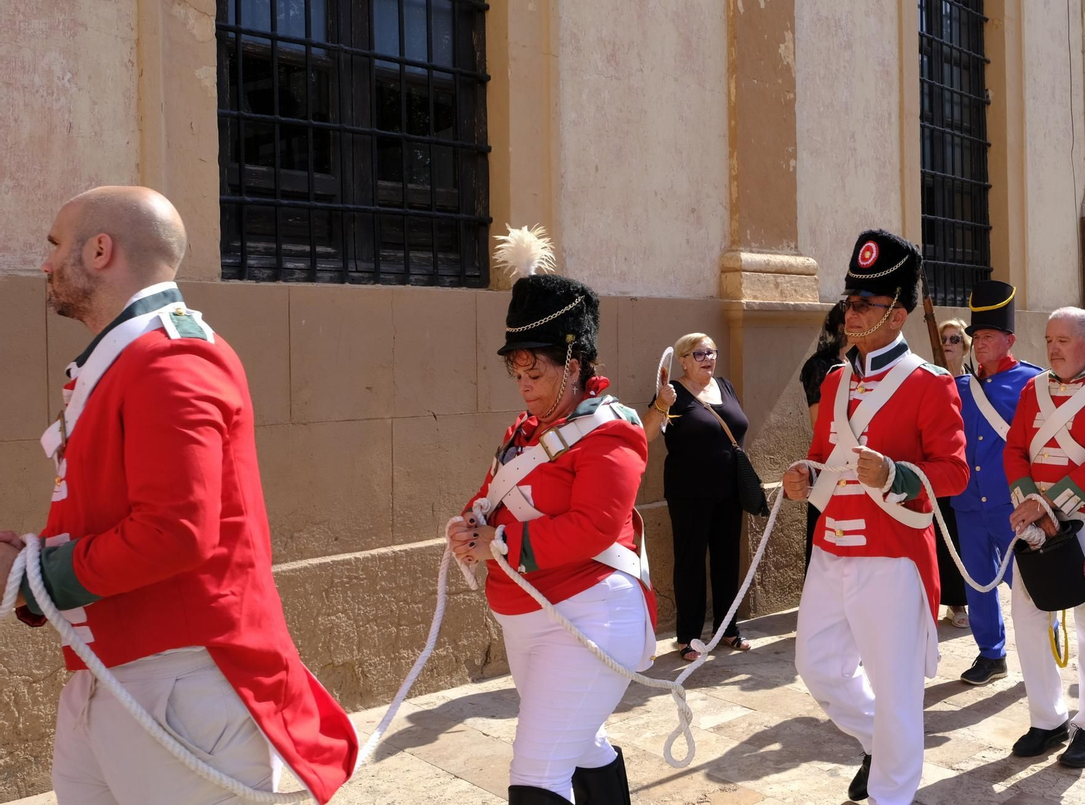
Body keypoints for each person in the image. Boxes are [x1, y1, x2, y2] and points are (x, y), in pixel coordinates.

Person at [0, 187, 357, 804]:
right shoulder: (130, 360)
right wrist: (29, 561)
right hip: (111, 675)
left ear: (101, 250)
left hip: (177, 684)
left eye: (57, 245)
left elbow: (174, 533)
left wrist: (36, 578)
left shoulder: (170, 358)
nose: (47, 262)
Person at [446, 226, 654, 804]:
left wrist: (500, 545)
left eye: (534, 372)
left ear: (573, 362)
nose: (524, 386)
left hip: (591, 615)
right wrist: (468, 524)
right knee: (580, 746)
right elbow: (491, 495)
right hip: (530, 613)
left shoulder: (612, 431)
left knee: (537, 773)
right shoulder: (524, 431)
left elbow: (593, 526)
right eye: (517, 373)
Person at [782, 229, 968, 805]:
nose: (850, 312)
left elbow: (954, 473)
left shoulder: (928, 384)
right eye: (849, 301)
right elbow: (822, 458)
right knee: (818, 668)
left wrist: (895, 475)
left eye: (863, 303)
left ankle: (893, 792)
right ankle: (877, 742)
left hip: (892, 556)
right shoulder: (836, 380)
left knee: (897, 691)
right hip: (832, 548)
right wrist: (804, 478)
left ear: (897, 313)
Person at [1003, 307, 1085, 769]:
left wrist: (1048, 506)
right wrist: (1030, 506)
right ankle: (1047, 718)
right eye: (1049, 339)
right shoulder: (1032, 389)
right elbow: (1015, 450)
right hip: (1038, 524)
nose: (1053, 348)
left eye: (1064, 339)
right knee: (1027, 616)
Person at [949, 281, 1044, 685]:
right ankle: (991, 653)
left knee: (1025, 584)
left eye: (988, 336)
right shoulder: (960, 387)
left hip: (1011, 503)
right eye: (976, 337)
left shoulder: (1032, 382)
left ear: (1010, 340)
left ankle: (1043, 647)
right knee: (977, 584)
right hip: (968, 503)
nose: (979, 344)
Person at [643, 333, 753, 660]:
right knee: (690, 562)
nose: (708, 359)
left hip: (729, 491)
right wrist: (660, 405)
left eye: (712, 352)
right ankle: (688, 636)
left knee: (727, 560)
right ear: (683, 360)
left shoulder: (726, 386)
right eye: (699, 354)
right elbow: (647, 434)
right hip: (689, 492)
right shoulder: (671, 393)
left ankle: (728, 628)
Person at [799, 302, 848, 574]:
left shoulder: (853, 362)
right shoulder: (820, 366)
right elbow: (819, 423)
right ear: (842, 326)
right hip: (830, 461)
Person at [932, 318, 971, 629]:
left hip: (968, 472)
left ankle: (960, 601)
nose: (948, 343)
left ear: (965, 346)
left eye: (955, 339)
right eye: (944, 338)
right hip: (937, 469)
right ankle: (940, 600)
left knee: (961, 538)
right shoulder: (928, 381)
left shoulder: (974, 384)